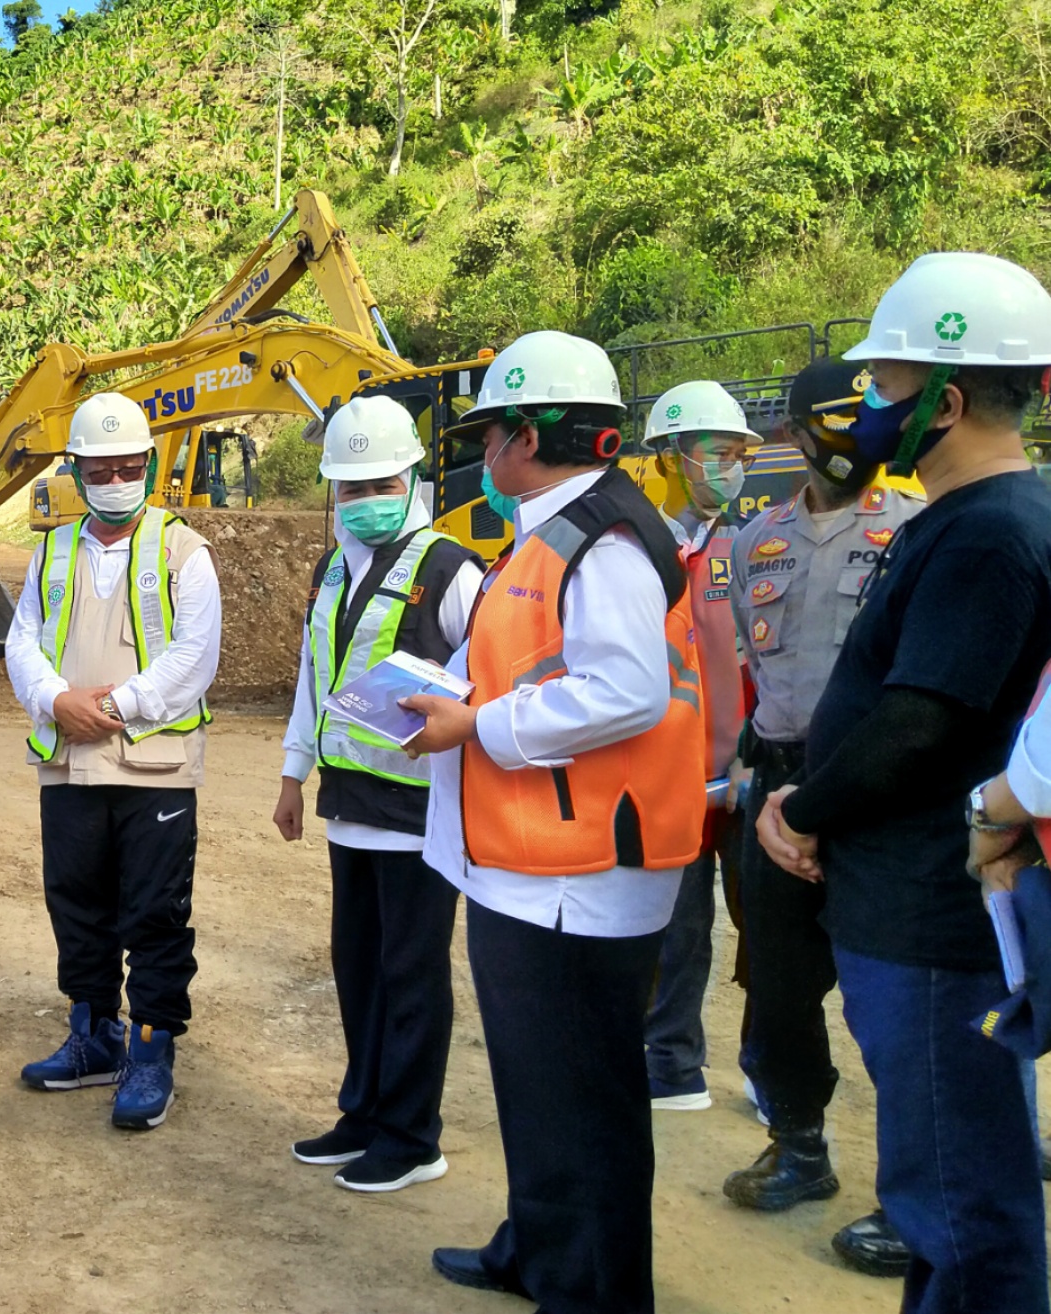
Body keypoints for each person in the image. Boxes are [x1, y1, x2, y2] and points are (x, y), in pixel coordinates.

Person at [756, 252, 1051, 1314]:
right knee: (940, 1187)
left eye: (884, 385)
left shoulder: (988, 537)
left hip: (932, 919)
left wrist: (802, 804)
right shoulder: (967, 521)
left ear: (949, 399)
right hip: (908, 902)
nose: (865, 405)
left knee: (959, 1203)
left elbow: (921, 724)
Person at [404, 330, 707, 1314]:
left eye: (490, 432)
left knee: (582, 1103)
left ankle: (591, 1291)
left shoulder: (601, 539)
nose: (483, 453)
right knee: (544, 1093)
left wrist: (478, 725)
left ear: (526, 436)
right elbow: (529, 661)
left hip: (577, 874)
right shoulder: (552, 530)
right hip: (537, 863)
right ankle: (535, 1249)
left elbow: (625, 689)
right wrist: (445, 693)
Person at [722, 359, 923, 1275]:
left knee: (898, 1000)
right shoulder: (751, 541)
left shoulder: (917, 528)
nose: (843, 441)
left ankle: (914, 1192)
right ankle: (799, 1143)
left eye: (861, 420)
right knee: (780, 987)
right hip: (775, 788)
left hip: (879, 794)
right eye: (825, 424)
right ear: (795, 434)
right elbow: (750, 678)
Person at [272, 396, 484, 1192]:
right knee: (358, 967)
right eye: (350, 487)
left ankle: (411, 1134)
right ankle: (363, 1111)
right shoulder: (333, 568)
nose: (364, 501)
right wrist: (293, 773)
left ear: (412, 475)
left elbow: (487, 682)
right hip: (350, 809)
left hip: (419, 813)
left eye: (379, 483)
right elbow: (310, 678)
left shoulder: (451, 568)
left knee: (410, 974)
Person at [6, 392, 222, 1132]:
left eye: (129, 465)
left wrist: (116, 707)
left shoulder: (183, 550)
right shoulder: (52, 550)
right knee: (76, 903)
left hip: (152, 766)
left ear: (150, 465)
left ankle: (152, 1048)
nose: (116, 478)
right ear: (77, 470)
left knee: (155, 912)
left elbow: (197, 654)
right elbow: (21, 639)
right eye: (100, 468)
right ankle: (94, 1035)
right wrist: (54, 699)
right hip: (69, 763)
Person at [641, 380, 760, 1112]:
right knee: (675, 930)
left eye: (739, 453)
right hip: (669, 781)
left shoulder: (750, 549)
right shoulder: (638, 553)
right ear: (669, 458)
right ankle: (672, 1060)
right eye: (718, 453)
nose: (732, 466)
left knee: (770, 936)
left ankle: (772, 1068)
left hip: (745, 775)